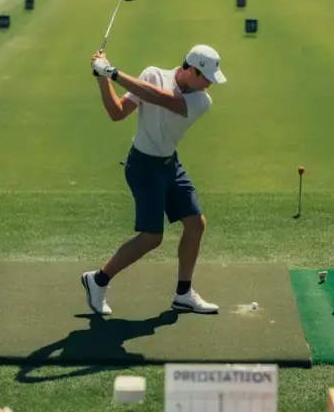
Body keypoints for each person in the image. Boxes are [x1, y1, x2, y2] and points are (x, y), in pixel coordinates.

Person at [82, 45, 226, 317]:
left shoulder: (201, 100)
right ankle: (97, 280)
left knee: (195, 224)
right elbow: (117, 112)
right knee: (151, 238)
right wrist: (102, 78)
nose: (209, 83)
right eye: (206, 77)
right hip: (143, 166)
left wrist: (112, 72)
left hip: (170, 164)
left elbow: (162, 99)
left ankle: (183, 294)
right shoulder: (152, 74)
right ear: (190, 69)